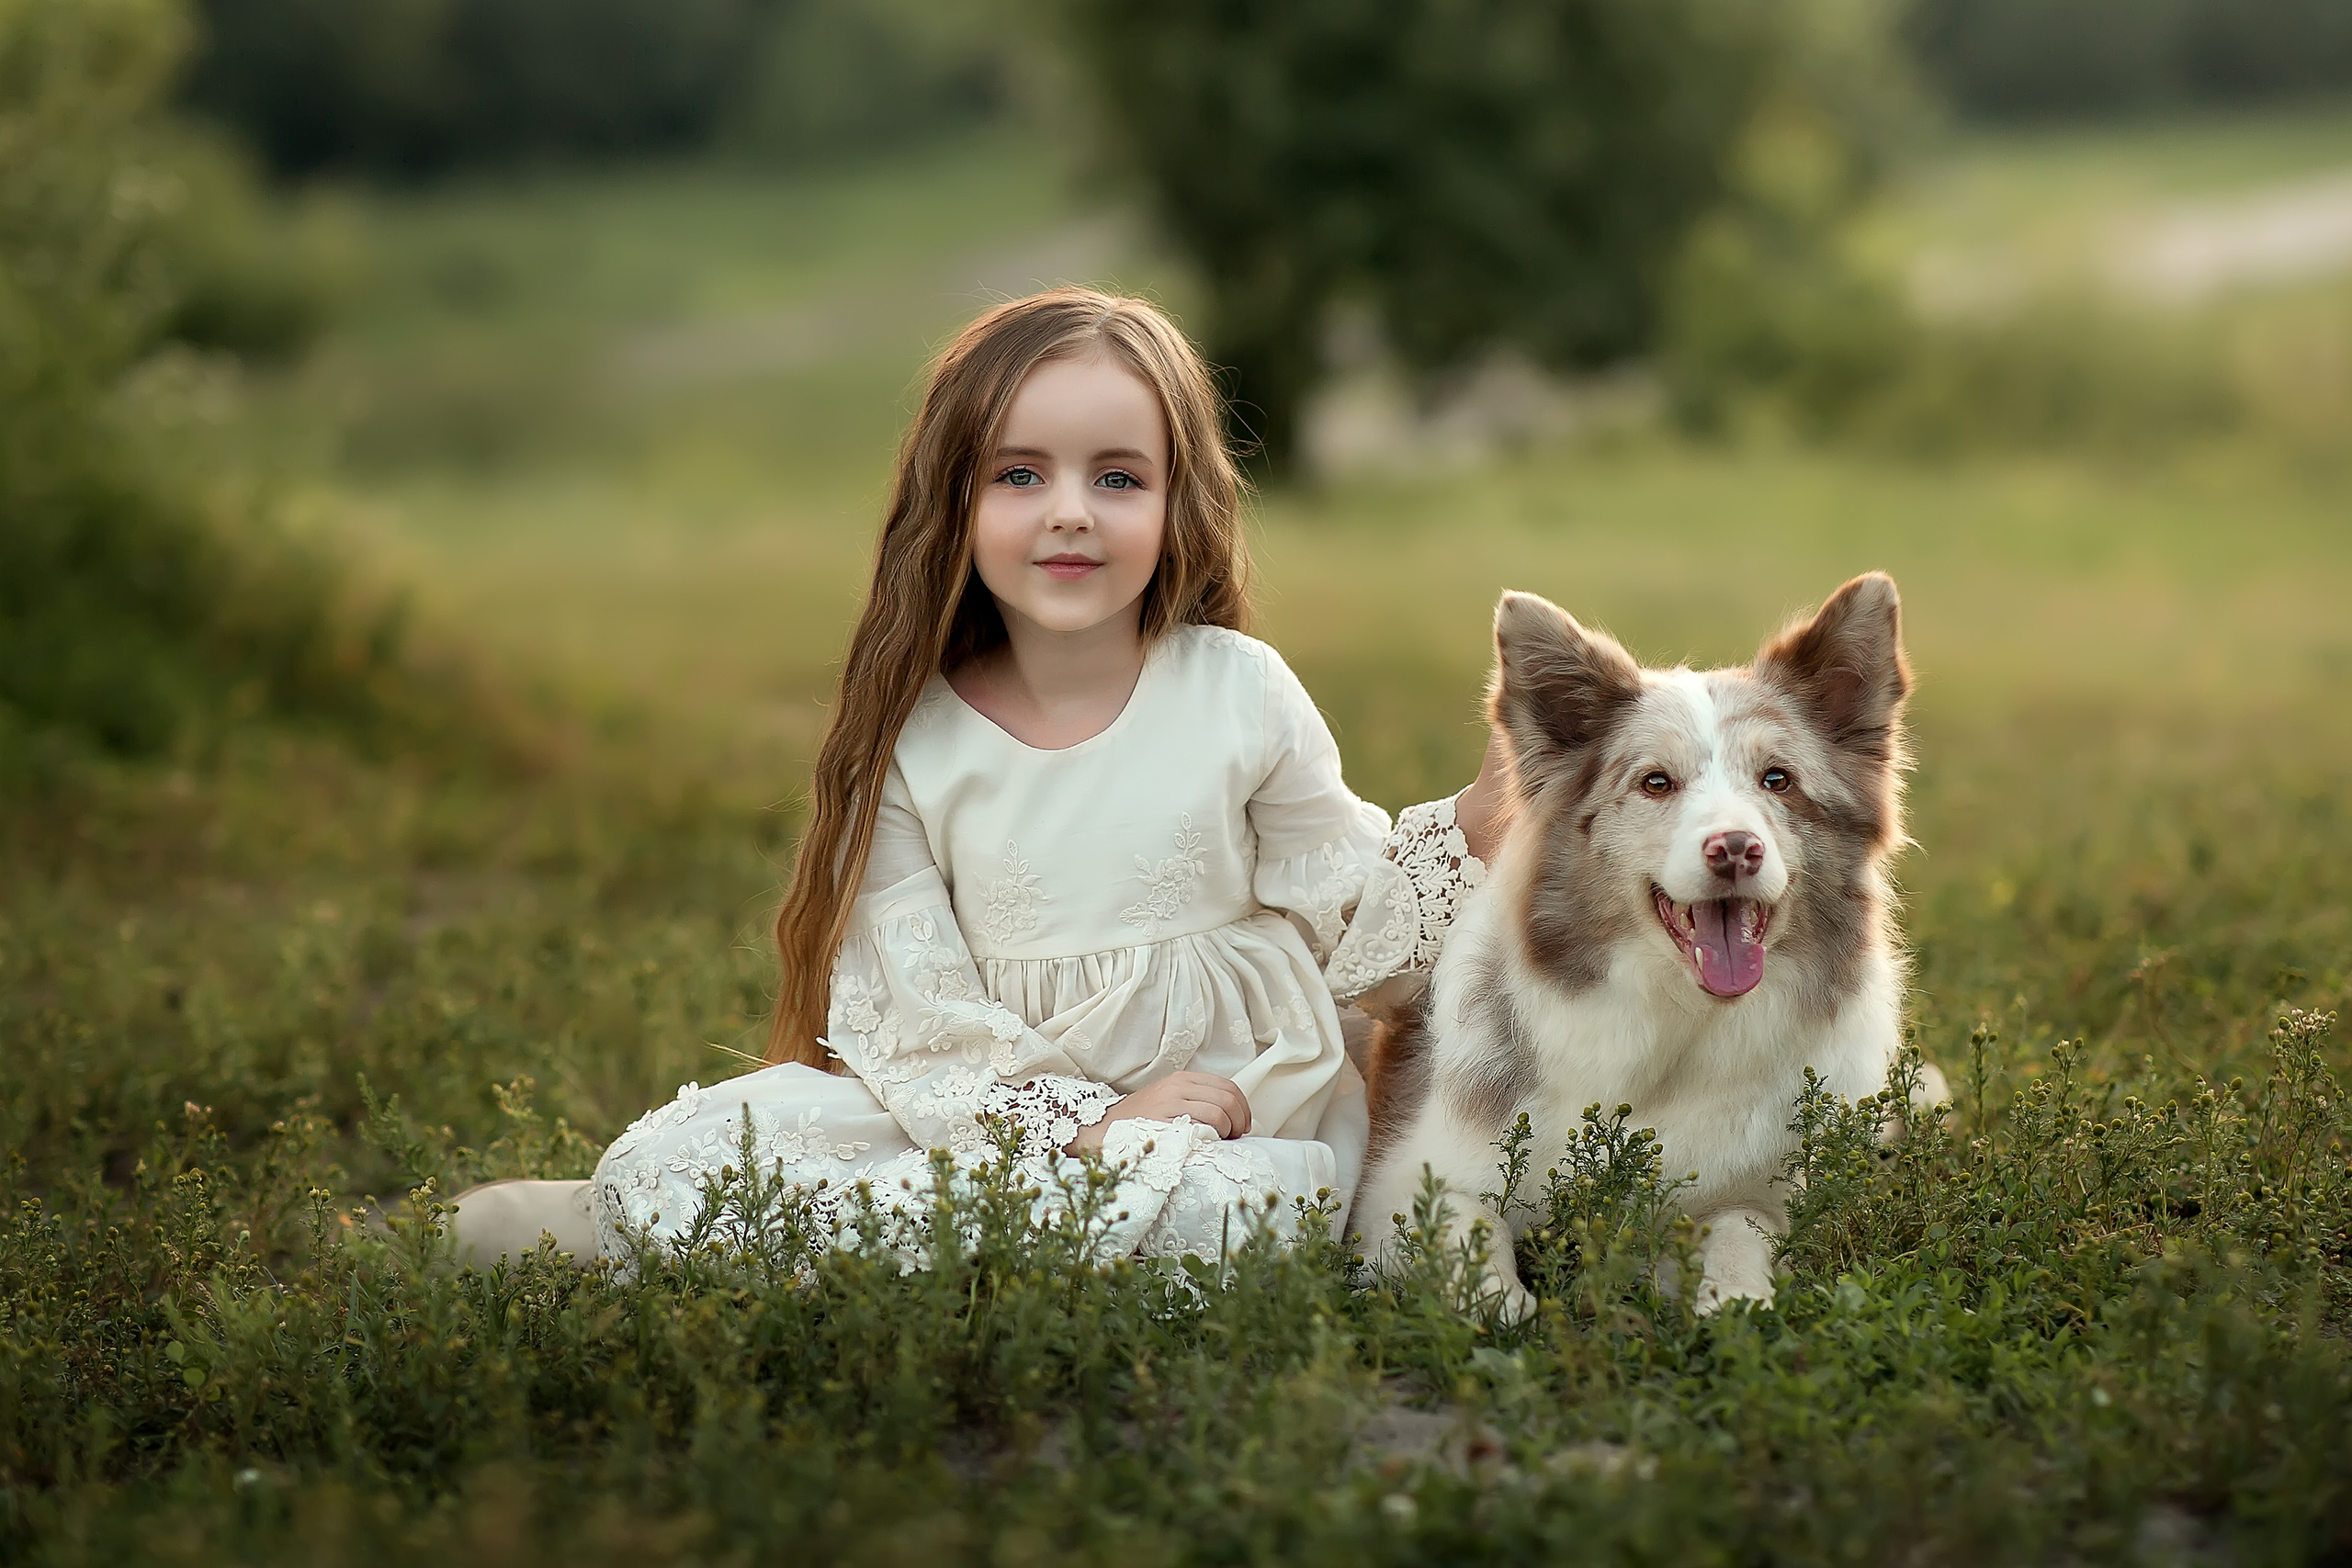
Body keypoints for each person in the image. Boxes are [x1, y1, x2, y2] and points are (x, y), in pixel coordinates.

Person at [452, 288, 1502, 1269]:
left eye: (1118, 477)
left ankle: (981, 1244)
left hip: (1225, 1111)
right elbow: (921, 1012)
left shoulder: (1238, 691)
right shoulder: (915, 741)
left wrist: (1482, 819)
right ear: (952, 502)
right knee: (669, 1166)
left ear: (1180, 502)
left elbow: (1357, 921)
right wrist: (1088, 1126)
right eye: (1019, 475)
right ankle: (627, 1217)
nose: (1070, 512)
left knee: (1230, 1210)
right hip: (999, 1115)